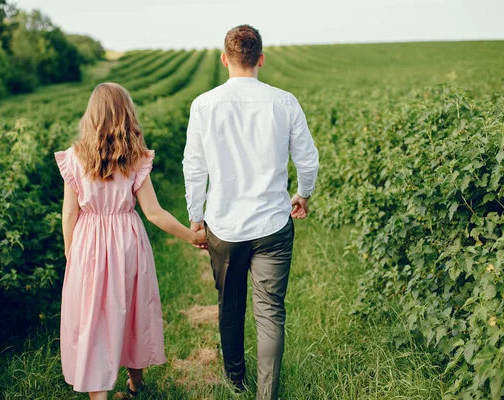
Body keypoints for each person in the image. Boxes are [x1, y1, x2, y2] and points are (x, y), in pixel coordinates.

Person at [183, 25, 319, 400]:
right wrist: (303, 194)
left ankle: (235, 379)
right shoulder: (284, 101)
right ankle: (266, 394)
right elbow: (307, 158)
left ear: (225, 59)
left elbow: (194, 167)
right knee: (270, 311)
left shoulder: (204, 105)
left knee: (230, 306)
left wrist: (197, 215)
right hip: (273, 223)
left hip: (224, 226)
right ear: (261, 59)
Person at [55, 82, 207, 400]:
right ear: (127, 115)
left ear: (91, 115)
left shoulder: (75, 157)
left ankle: (99, 394)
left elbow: (69, 214)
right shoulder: (134, 158)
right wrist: (191, 236)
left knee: (93, 315)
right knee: (132, 308)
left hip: (88, 243)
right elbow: (154, 213)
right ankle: (135, 382)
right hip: (126, 240)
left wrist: (72, 251)